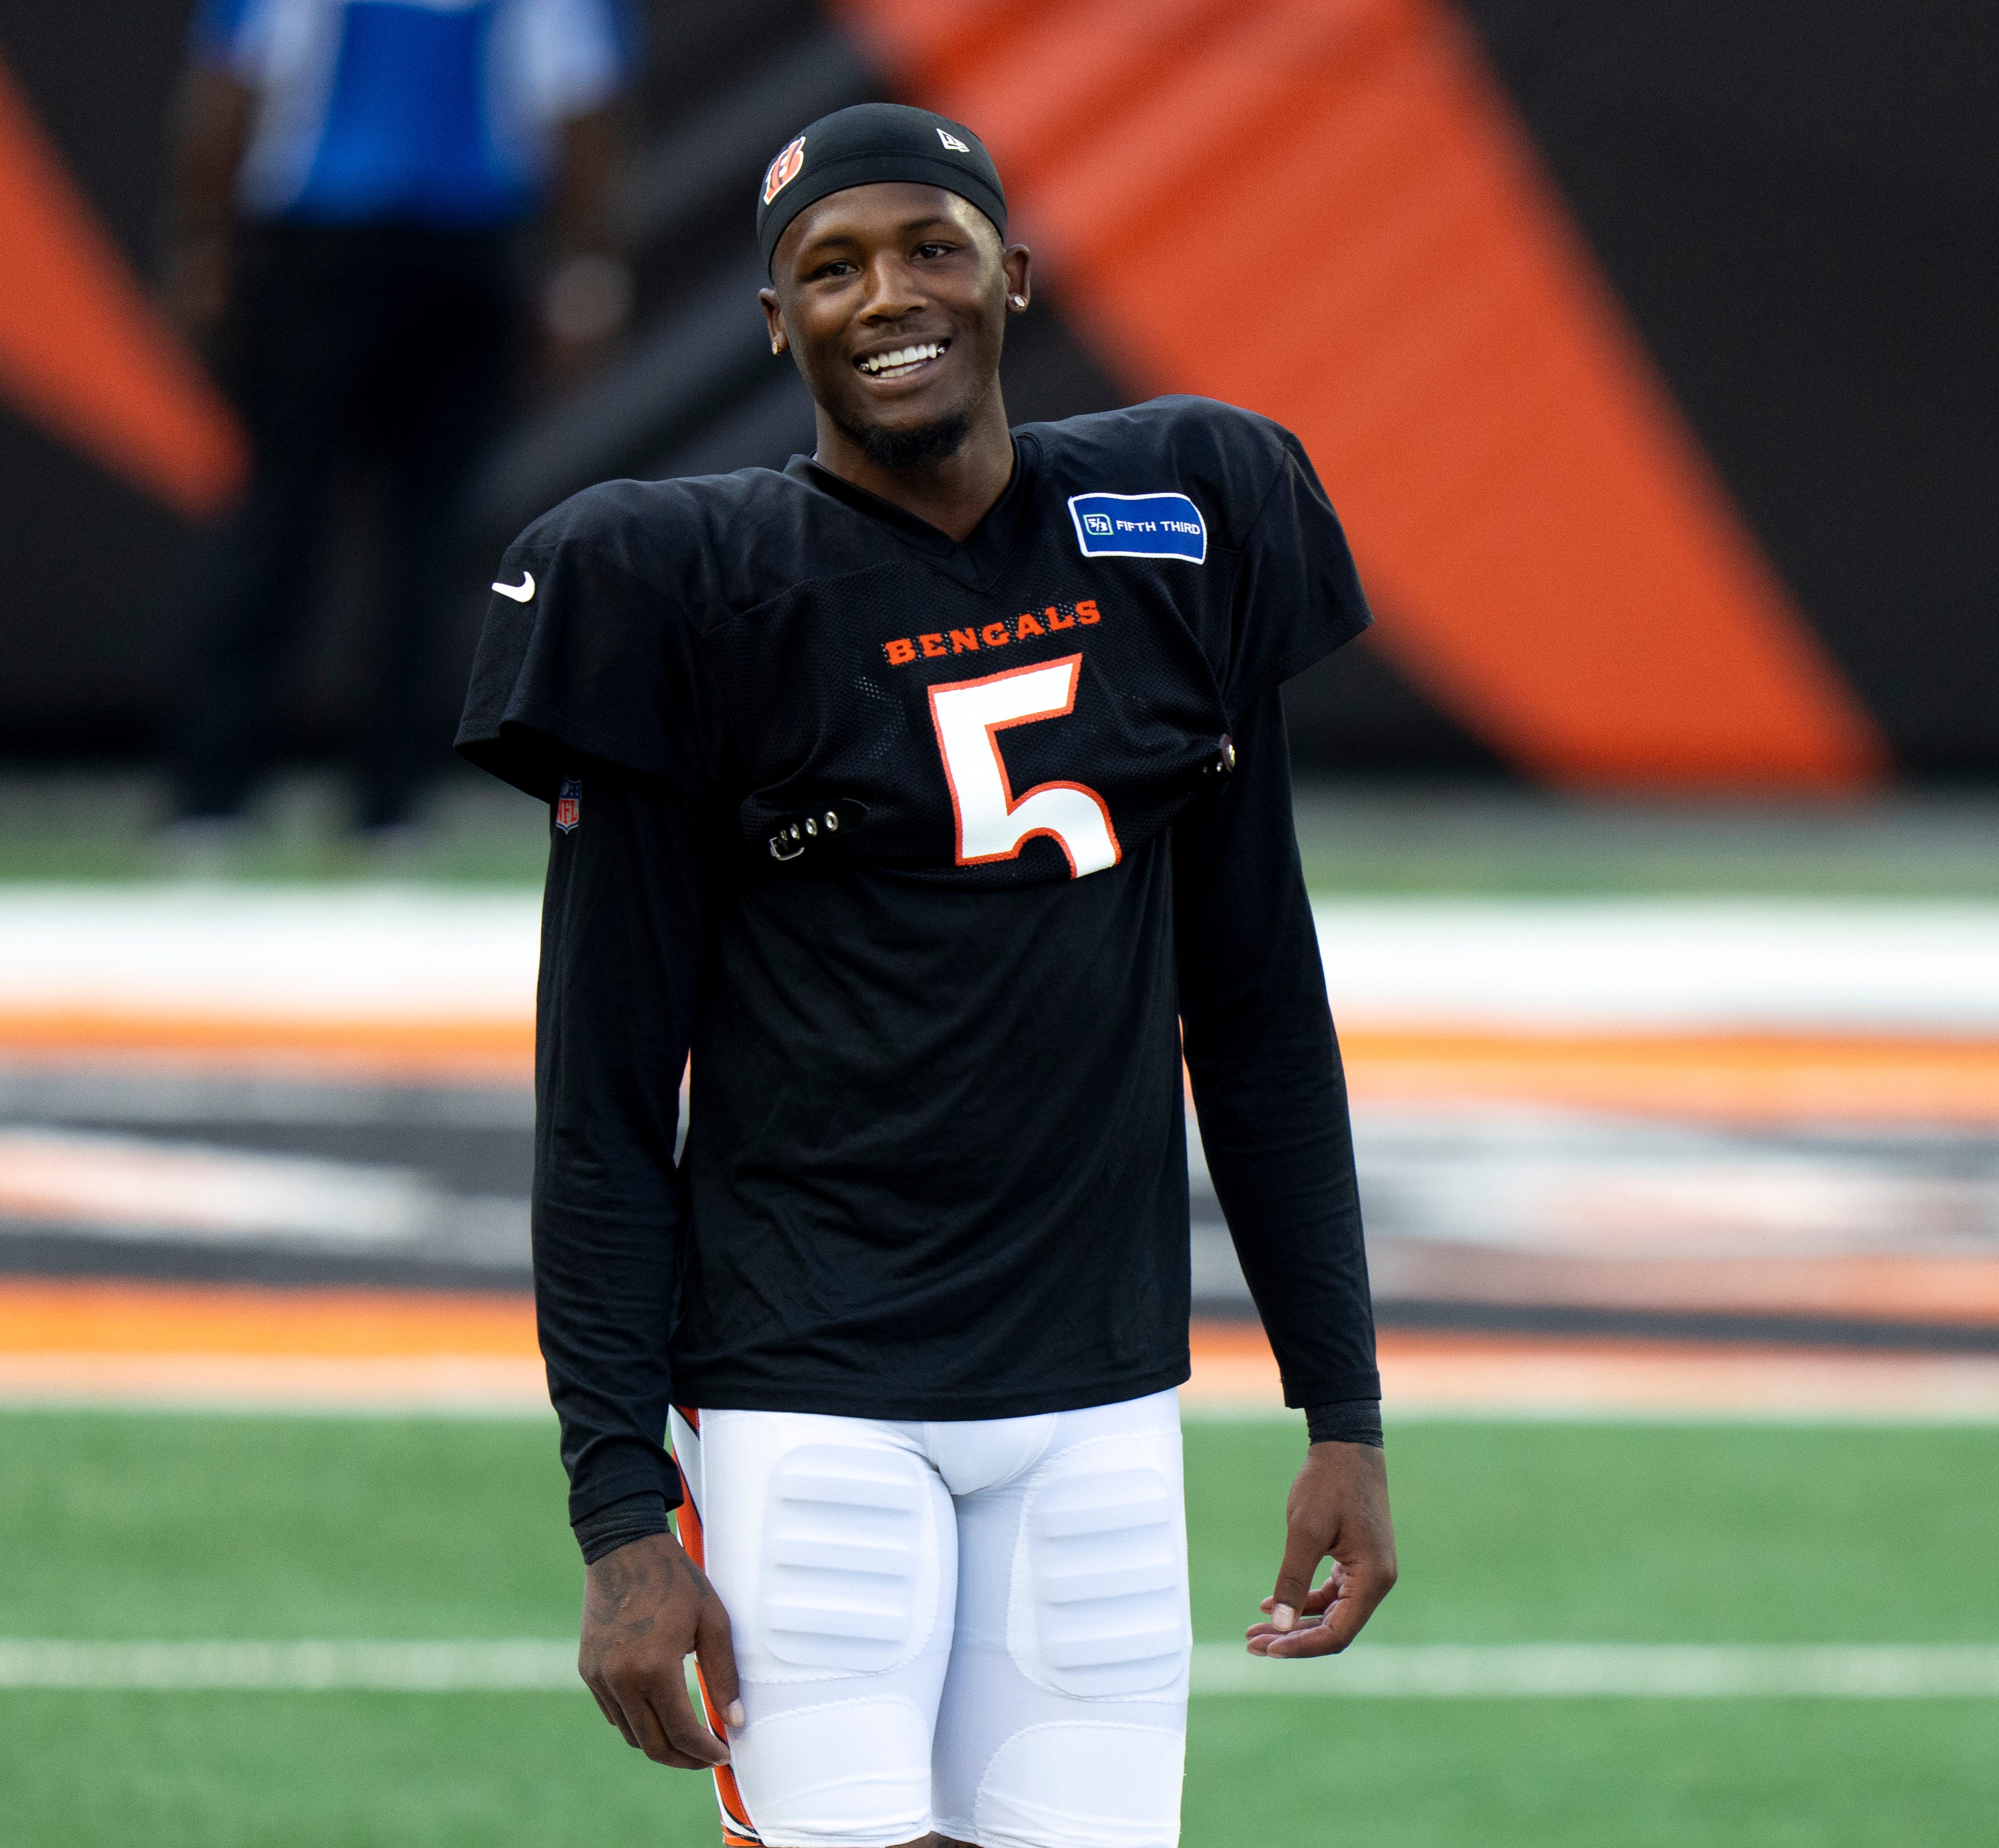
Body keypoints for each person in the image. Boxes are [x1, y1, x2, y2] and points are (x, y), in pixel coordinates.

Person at [454, 103, 1395, 1848]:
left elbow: (1257, 1002)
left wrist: (1339, 1402)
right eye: (830, 266)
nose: (887, 293)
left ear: (1011, 282)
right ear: (773, 322)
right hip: (805, 1396)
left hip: (1102, 1394)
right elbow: (598, 1097)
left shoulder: (1182, 521)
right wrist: (617, 1510)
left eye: (929, 248)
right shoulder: (687, 586)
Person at [165, 0, 636, 848]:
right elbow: (583, 104)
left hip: (389, 248)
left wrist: (205, 241)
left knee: (403, 533)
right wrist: (585, 263)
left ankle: (346, 795)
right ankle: (252, 790)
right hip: (383, 247)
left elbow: (228, 84)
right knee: (316, 523)